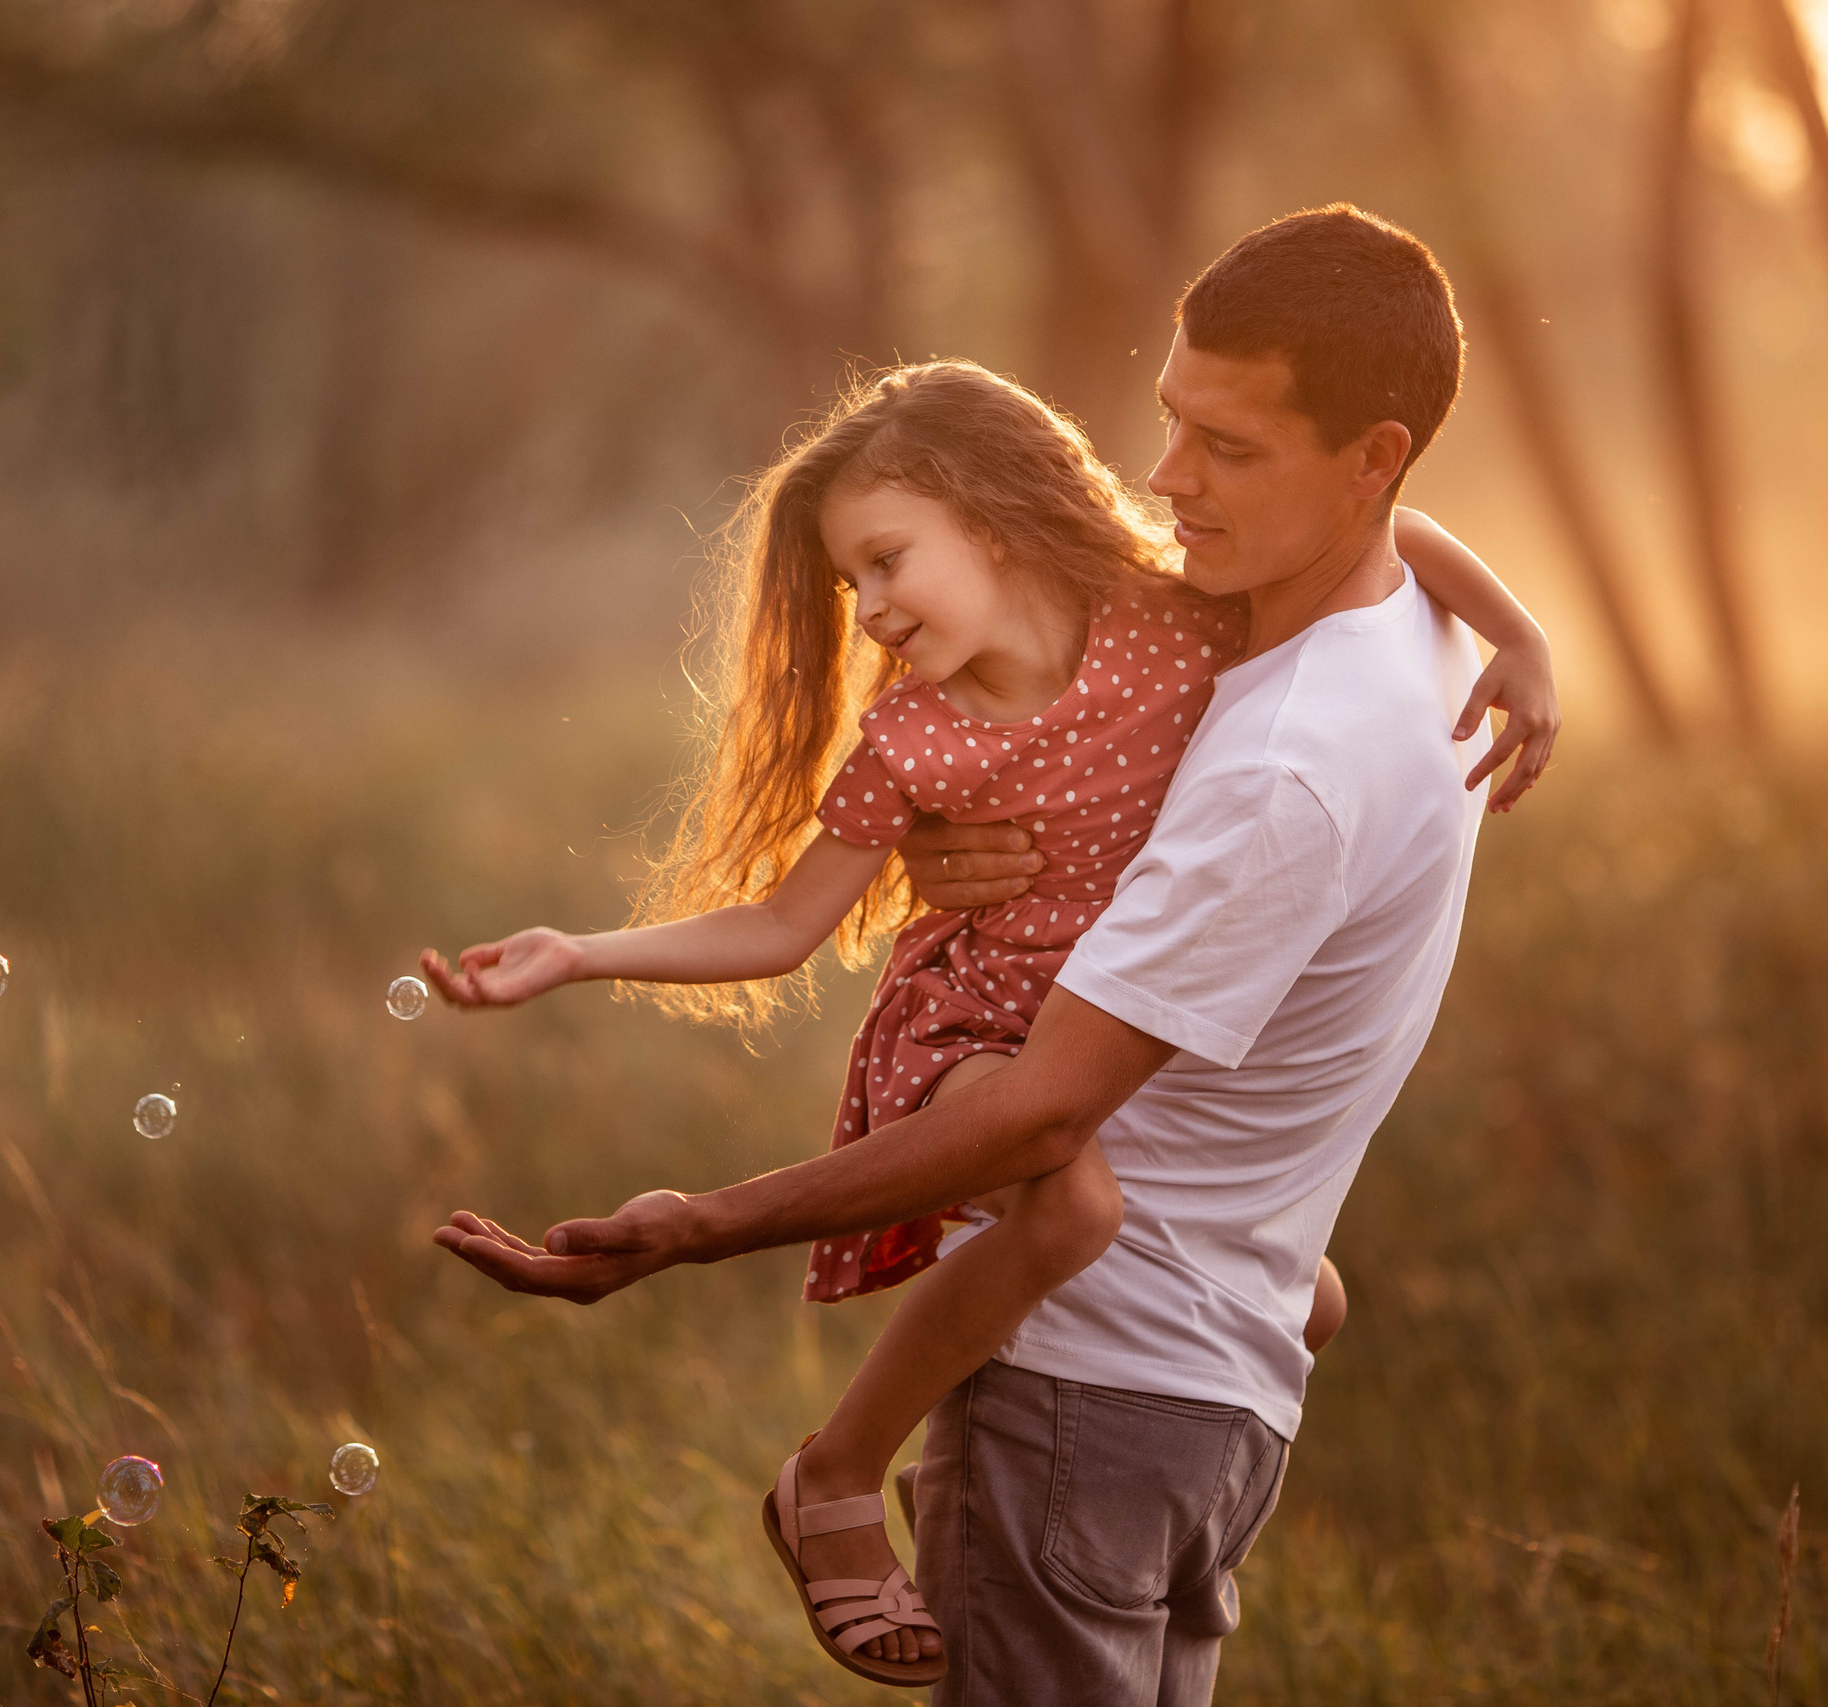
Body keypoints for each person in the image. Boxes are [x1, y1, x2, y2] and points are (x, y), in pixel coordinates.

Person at [422, 206, 1553, 1700]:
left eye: (1228, 447)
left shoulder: (1221, 669)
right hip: (1121, 1301)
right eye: (1170, 426)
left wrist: (689, 1228)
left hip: (1113, 1391)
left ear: (1372, 456)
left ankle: (829, 1470)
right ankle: (836, 1477)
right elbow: (789, 924)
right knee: (1085, 1211)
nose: (1168, 477)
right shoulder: (1308, 626)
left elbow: (1049, 1106)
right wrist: (592, 950)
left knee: (1159, 1227)